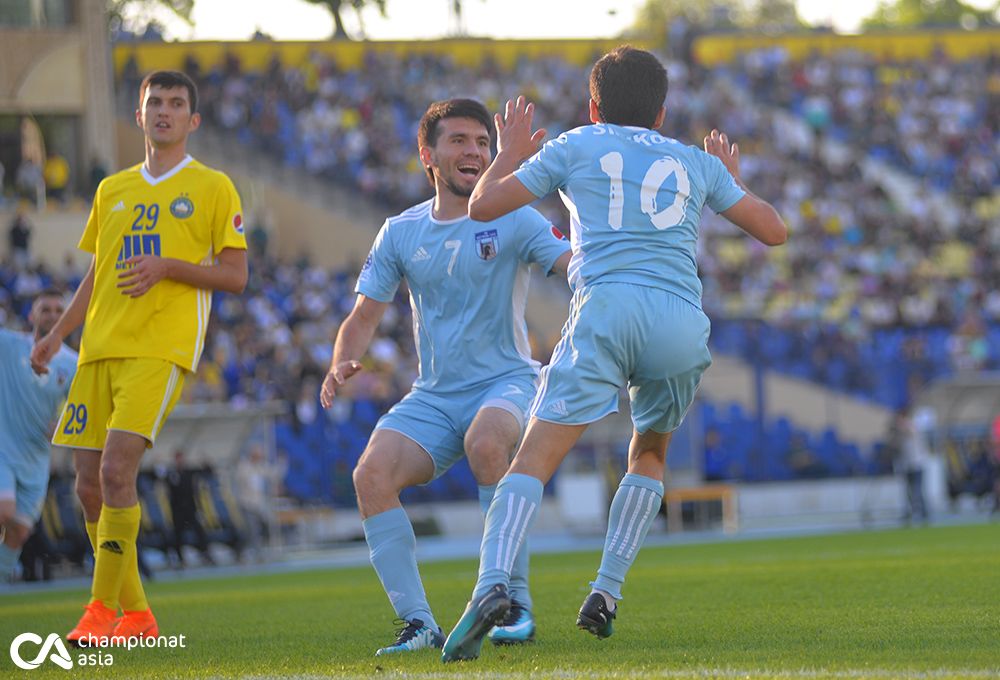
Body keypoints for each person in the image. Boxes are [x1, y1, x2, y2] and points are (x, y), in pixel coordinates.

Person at [442, 46, 787, 661]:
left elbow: (482, 207)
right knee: (650, 449)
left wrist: (512, 155)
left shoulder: (576, 143)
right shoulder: (691, 160)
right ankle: (606, 590)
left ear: (594, 105)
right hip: (679, 318)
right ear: (661, 113)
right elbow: (774, 231)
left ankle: (493, 585)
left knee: (535, 454)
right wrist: (727, 176)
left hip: (606, 306)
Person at [320, 98, 570, 657]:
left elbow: (570, 264)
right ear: (427, 154)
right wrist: (341, 360)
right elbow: (363, 316)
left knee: (487, 444)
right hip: (433, 395)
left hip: (507, 380)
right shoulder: (401, 231)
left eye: (483, 143)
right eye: (459, 141)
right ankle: (418, 624)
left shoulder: (517, 217)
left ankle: (512, 605)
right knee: (371, 476)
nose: (474, 152)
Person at [30, 70, 248, 645]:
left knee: (116, 469)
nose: (165, 112)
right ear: (140, 115)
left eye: (177, 104)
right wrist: (59, 337)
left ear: (192, 121)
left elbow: (236, 275)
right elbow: (98, 272)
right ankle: (140, 615)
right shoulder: (112, 189)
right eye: (156, 102)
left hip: (160, 348)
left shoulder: (212, 186)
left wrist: (169, 267)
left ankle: (101, 610)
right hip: (98, 348)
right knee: (86, 485)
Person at [0, 290, 78, 583]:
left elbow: (81, 408)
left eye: (60, 310)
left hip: (36, 459)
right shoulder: (9, 345)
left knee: (19, 531)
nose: (53, 315)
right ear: (32, 315)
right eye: (45, 309)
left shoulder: (74, 363)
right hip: (3, 450)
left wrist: (63, 424)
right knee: (3, 510)